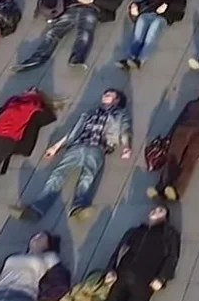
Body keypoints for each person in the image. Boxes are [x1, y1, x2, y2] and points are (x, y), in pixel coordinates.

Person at [15, 89, 131, 222]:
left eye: (109, 95)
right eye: (105, 94)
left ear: (117, 100)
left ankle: (79, 207)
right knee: (57, 174)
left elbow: (125, 130)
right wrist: (56, 147)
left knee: (87, 177)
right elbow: (74, 131)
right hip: (77, 146)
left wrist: (126, 147)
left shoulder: (120, 114)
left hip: (97, 148)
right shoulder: (89, 112)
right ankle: (37, 209)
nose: (105, 96)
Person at [86, 206, 180, 301]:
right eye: (154, 209)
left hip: (145, 280)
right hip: (122, 274)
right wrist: (111, 269)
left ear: (166, 216)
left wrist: (162, 278)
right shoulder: (135, 231)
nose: (155, 211)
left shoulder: (169, 233)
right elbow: (120, 250)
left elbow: (172, 257)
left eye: (161, 210)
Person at [13, 0, 127, 71]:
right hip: (73, 8)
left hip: (92, 10)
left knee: (85, 33)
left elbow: (113, 5)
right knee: (52, 32)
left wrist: (92, 0)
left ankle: (76, 59)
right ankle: (36, 59)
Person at [117, 0, 184, 70]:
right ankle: (130, 57)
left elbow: (180, 12)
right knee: (138, 34)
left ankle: (140, 60)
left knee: (152, 33)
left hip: (162, 17)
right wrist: (134, 6)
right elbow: (145, 3)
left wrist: (167, 7)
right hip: (148, 14)